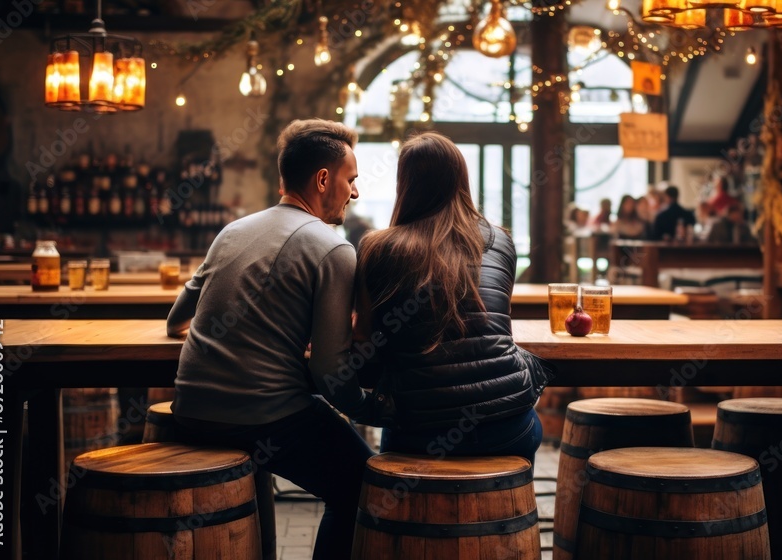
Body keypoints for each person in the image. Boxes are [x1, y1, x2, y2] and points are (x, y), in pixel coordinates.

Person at [166, 119, 376, 560]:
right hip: (262, 418)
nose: (354, 192)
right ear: (323, 179)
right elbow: (329, 373)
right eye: (350, 180)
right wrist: (376, 410)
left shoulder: (232, 231)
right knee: (366, 486)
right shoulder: (334, 248)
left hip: (189, 412)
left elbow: (176, 322)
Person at [353, 131, 553, 464]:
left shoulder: (378, 247)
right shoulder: (499, 240)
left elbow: (365, 336)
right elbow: (494, 319)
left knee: (390, 440)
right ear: (462, 179)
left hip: (417, 431)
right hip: (507, 425)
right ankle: (510, 512)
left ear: (404, 185)